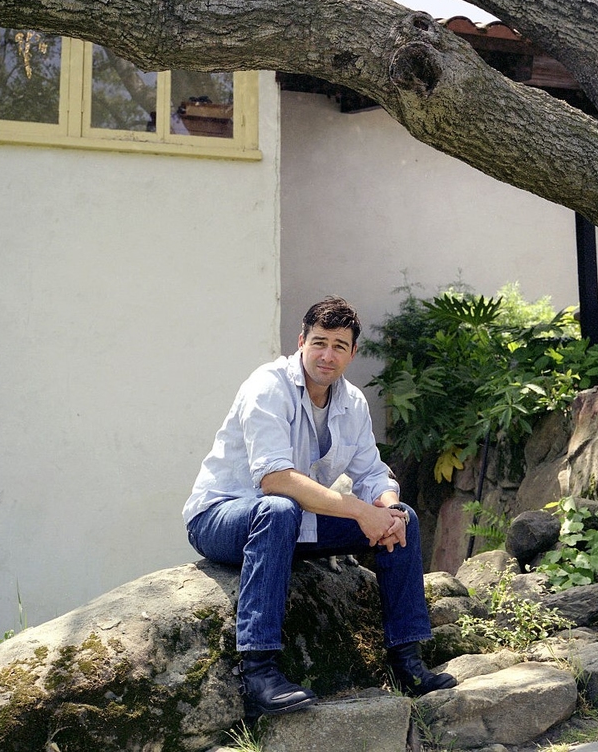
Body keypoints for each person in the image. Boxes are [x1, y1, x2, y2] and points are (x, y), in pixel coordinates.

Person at [183, 296, 456, 717]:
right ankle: (258, 673)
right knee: (277, 509)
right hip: (222, 516)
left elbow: (374, 475)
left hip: (294, 522)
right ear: (301, 342)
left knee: (406, 518)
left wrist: (386, 510)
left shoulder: (353, 403)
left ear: (352, 352)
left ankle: (407, 663)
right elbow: (275, 480)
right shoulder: (268, 385)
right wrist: (360, 511)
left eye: (339, 346)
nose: (327, 355)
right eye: (319, 342)